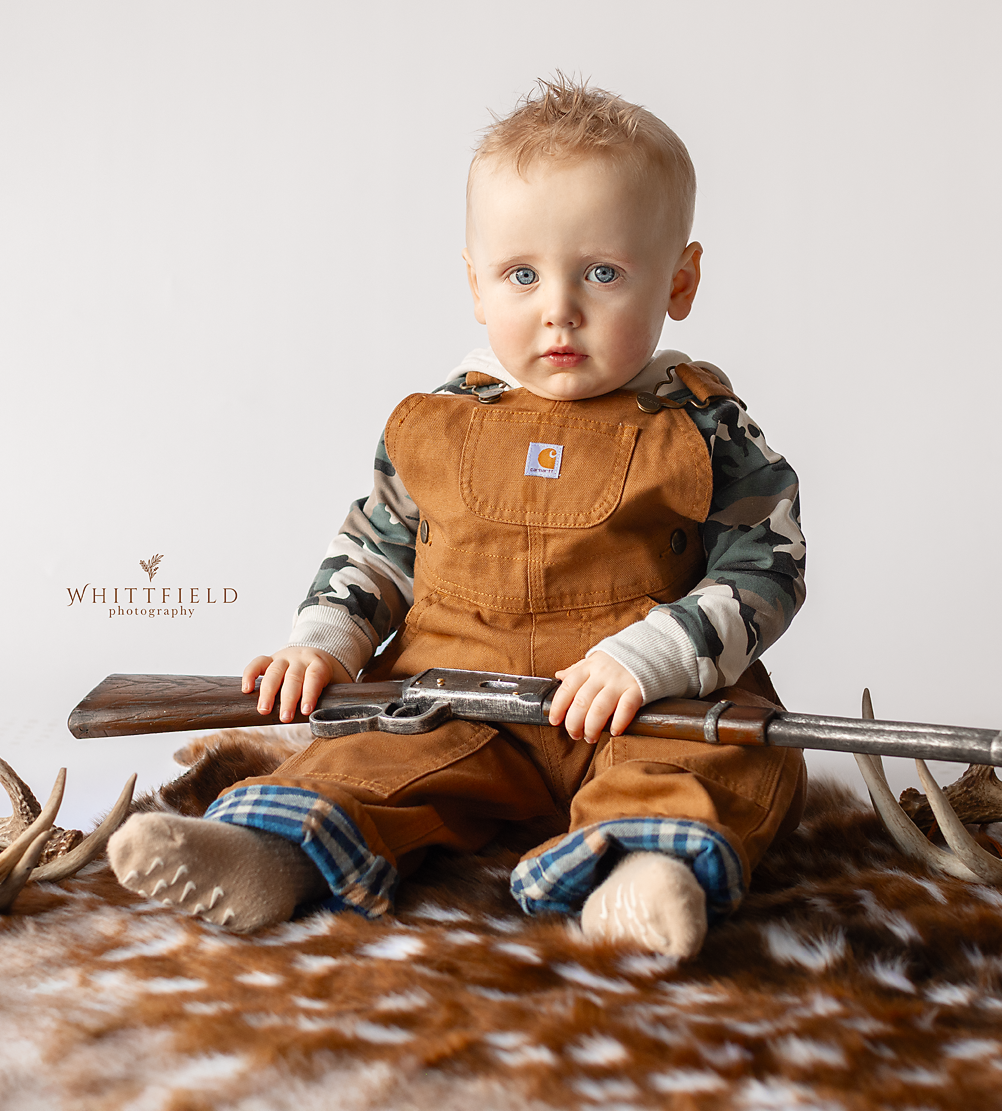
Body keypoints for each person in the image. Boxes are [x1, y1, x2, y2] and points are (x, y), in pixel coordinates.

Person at [107, 78, 807, 958]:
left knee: (720, 764)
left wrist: (658, 656)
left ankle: (641, 872)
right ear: (475, 282)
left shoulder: (704, 426)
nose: (560, 306)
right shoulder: (443, 421)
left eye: (602, 272)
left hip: (644, 705)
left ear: (680, 279)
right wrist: (325, 641)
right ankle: (270, 852)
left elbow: (765, 567)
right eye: (522, 273)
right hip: (457, 698)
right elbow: (375, 547)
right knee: (371, 757)